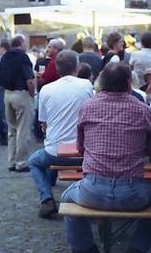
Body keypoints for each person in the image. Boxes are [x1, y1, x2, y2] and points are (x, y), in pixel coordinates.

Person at [61, 62, 151, 253]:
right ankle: (137, 248)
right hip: (133, 192)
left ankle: (85, 248)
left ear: (102, 83)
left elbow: (80, 147)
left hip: (92, 190)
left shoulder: (87, 107)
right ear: (128, 84)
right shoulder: (143, 109)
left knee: (66, 201)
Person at [29, 50, 93, 218]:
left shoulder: (46, 89)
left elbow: (43, 122)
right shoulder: (86, 85)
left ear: (57, 68)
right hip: (82, 151)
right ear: (77, 67)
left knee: (34, 161)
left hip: (55, 152)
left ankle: (47, 198)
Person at [0, 34, 35, 172]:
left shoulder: (5, 57)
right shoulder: (23, 57)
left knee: (11, 130)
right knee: (23, 130)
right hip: (21, 94)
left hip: (7, 94)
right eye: (25, 42)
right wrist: (32, 93)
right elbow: (29, 79)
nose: (26, 45)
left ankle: (11, 162)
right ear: (20, 43)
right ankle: (21, 163)